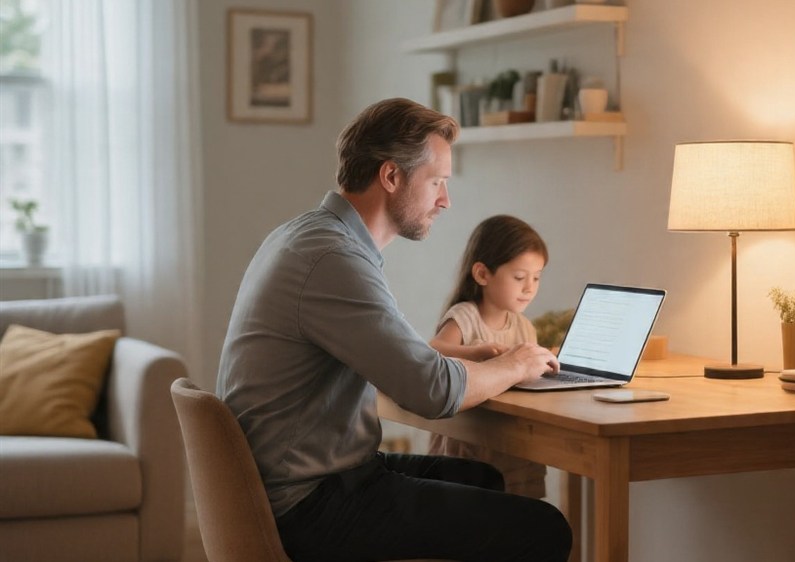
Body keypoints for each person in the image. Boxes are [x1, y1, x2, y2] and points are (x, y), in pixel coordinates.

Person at [215, 97, 571, 562]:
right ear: (391, 176)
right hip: (308, 501)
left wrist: (472, 357)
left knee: (481, 477)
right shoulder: (334, 260)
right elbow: (431, 392)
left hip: (306, 478)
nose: (446, 199)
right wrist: (517, 361)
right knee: (544, 529)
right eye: (438, 182)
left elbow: (399, 358)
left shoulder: (307, 236)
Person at [428, 214, 550, 499]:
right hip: (470, 440)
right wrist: (477, 352)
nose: (529, 288)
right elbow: (432, 351)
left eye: (536, 278)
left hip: (510, 439)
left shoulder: (524, 327)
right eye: (519, 277)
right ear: (483, 274)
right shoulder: (465, 317)